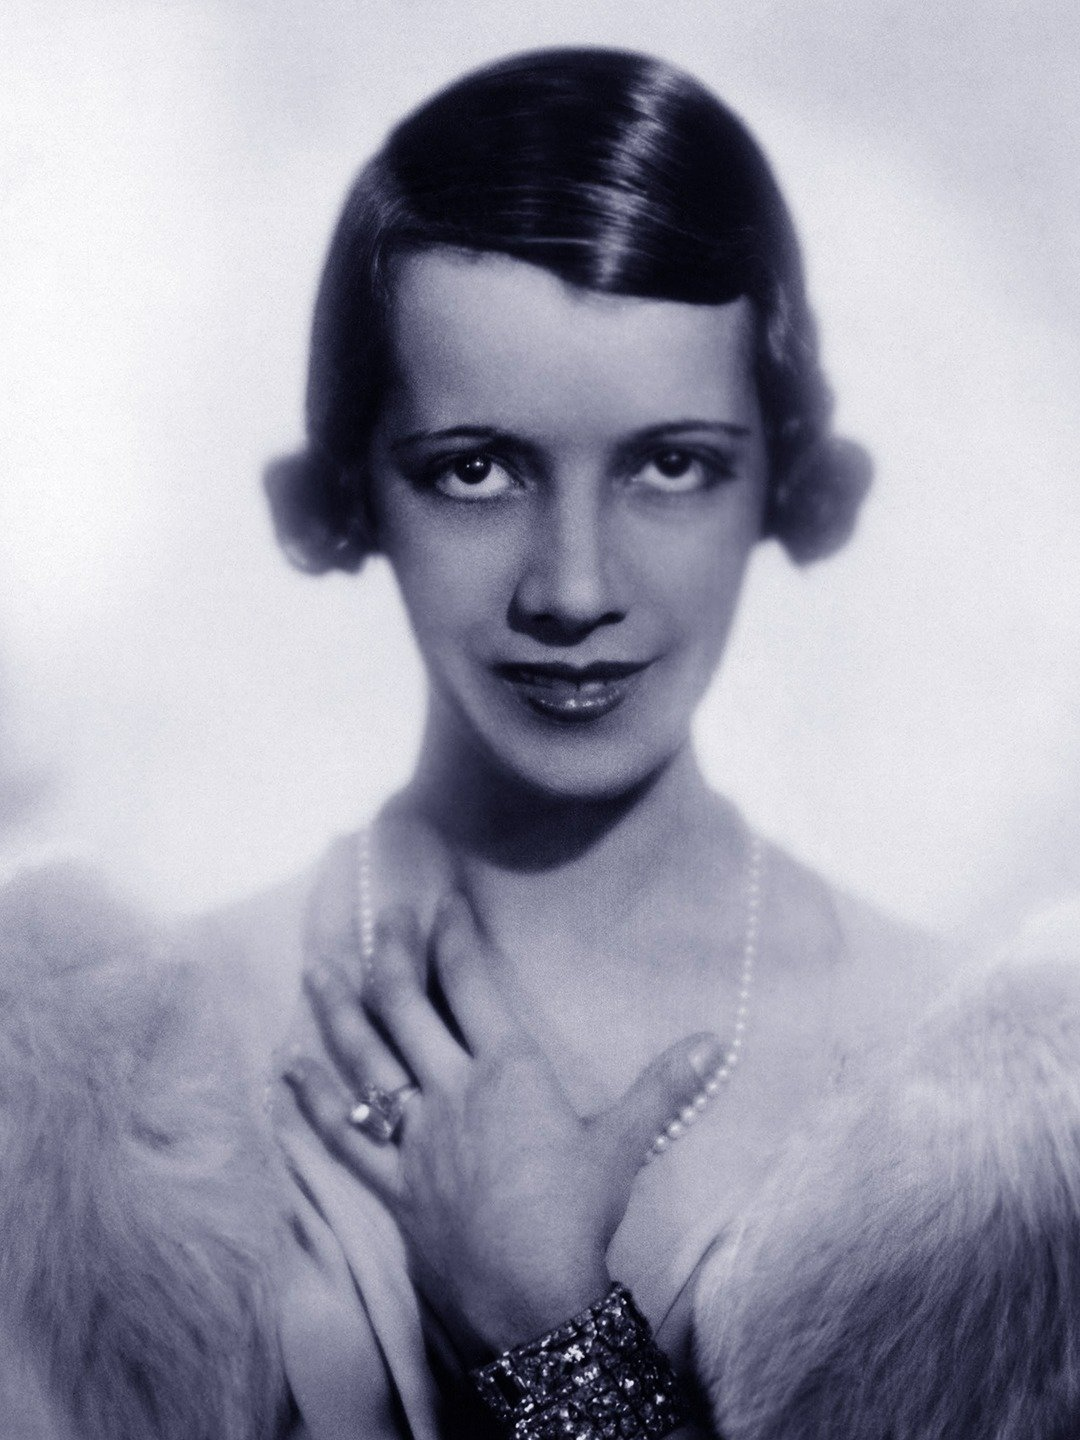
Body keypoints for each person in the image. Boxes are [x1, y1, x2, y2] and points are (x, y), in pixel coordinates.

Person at [248, 44, 953, 1439]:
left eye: (671, 464)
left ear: (782, 485)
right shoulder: (114, 1073)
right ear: (352, 496)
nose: (573, 590)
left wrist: (555, 1340)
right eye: (475, 469)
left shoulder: (966, 1084)